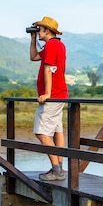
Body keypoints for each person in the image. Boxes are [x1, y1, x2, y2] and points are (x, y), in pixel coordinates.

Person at [29, 16, 68, 181]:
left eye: (39, 29)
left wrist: (47, 94)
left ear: (47, 30)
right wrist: (32, 40)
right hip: (61, 94)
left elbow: (48, 69)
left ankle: (56, 169)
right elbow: (34, 57)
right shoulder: (57, 45)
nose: (38, 32)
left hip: (53, 97)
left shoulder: (51, 45)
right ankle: (60, 166)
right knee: (57, 130)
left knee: (41, 132)